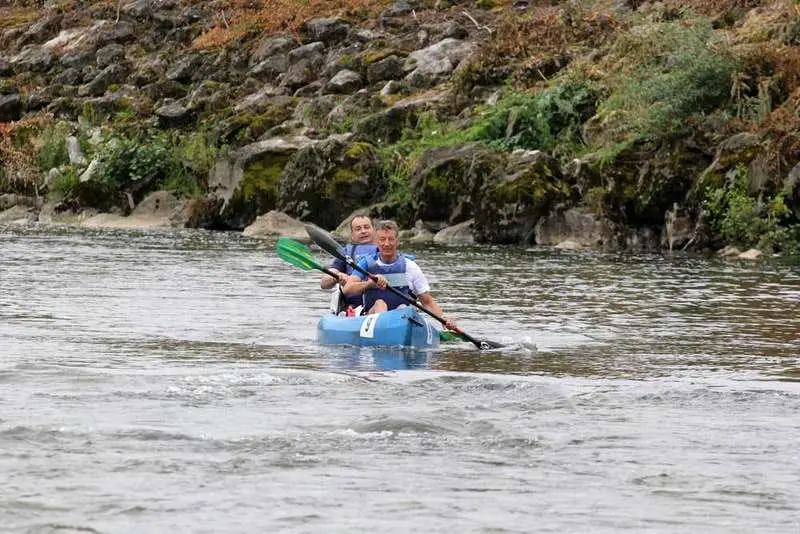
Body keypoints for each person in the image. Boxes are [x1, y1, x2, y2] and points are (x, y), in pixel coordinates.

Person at [342, 220, 458, 331]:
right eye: (382, 239)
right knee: (380, 304)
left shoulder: (410, 266)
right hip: (373, 318)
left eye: (391, 239)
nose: (387, 244)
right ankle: (383, 333)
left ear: (397, 241)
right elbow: (347, 289)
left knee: (404, 308)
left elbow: (427, 302)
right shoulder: (366, 263)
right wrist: (370, 284)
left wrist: (443, 318)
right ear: (376, 241)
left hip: (401, 320)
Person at [319, 215, 378, 312]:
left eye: (366, 227)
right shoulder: (346, 253)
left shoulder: (384, 249)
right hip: (353, 307)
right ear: (352, 234)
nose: (363, 231)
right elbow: (324, 283)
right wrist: (336, 277)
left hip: (379, 302)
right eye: (358, 229)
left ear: (373, 230)